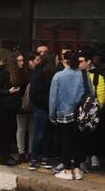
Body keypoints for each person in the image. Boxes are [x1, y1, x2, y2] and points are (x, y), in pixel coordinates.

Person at [48, 50, 87, 180]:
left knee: (65, 142)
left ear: (64, 61)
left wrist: (52, 114)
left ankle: (67, 170)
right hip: (80, 115)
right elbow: (91, 94)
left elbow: (53, 99)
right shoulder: (84, 75)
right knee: (78, 142)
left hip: (64, 114)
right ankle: (77, 169)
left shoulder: (58, 76)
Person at [28, 54, 56, 170]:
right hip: (43, 108)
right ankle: (35, 158)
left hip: (43, 108)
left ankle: (41, 158)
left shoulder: (43, 73)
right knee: (41, 134)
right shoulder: (40, 74)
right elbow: (34, 94)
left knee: (45, 134)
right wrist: (50, 103)